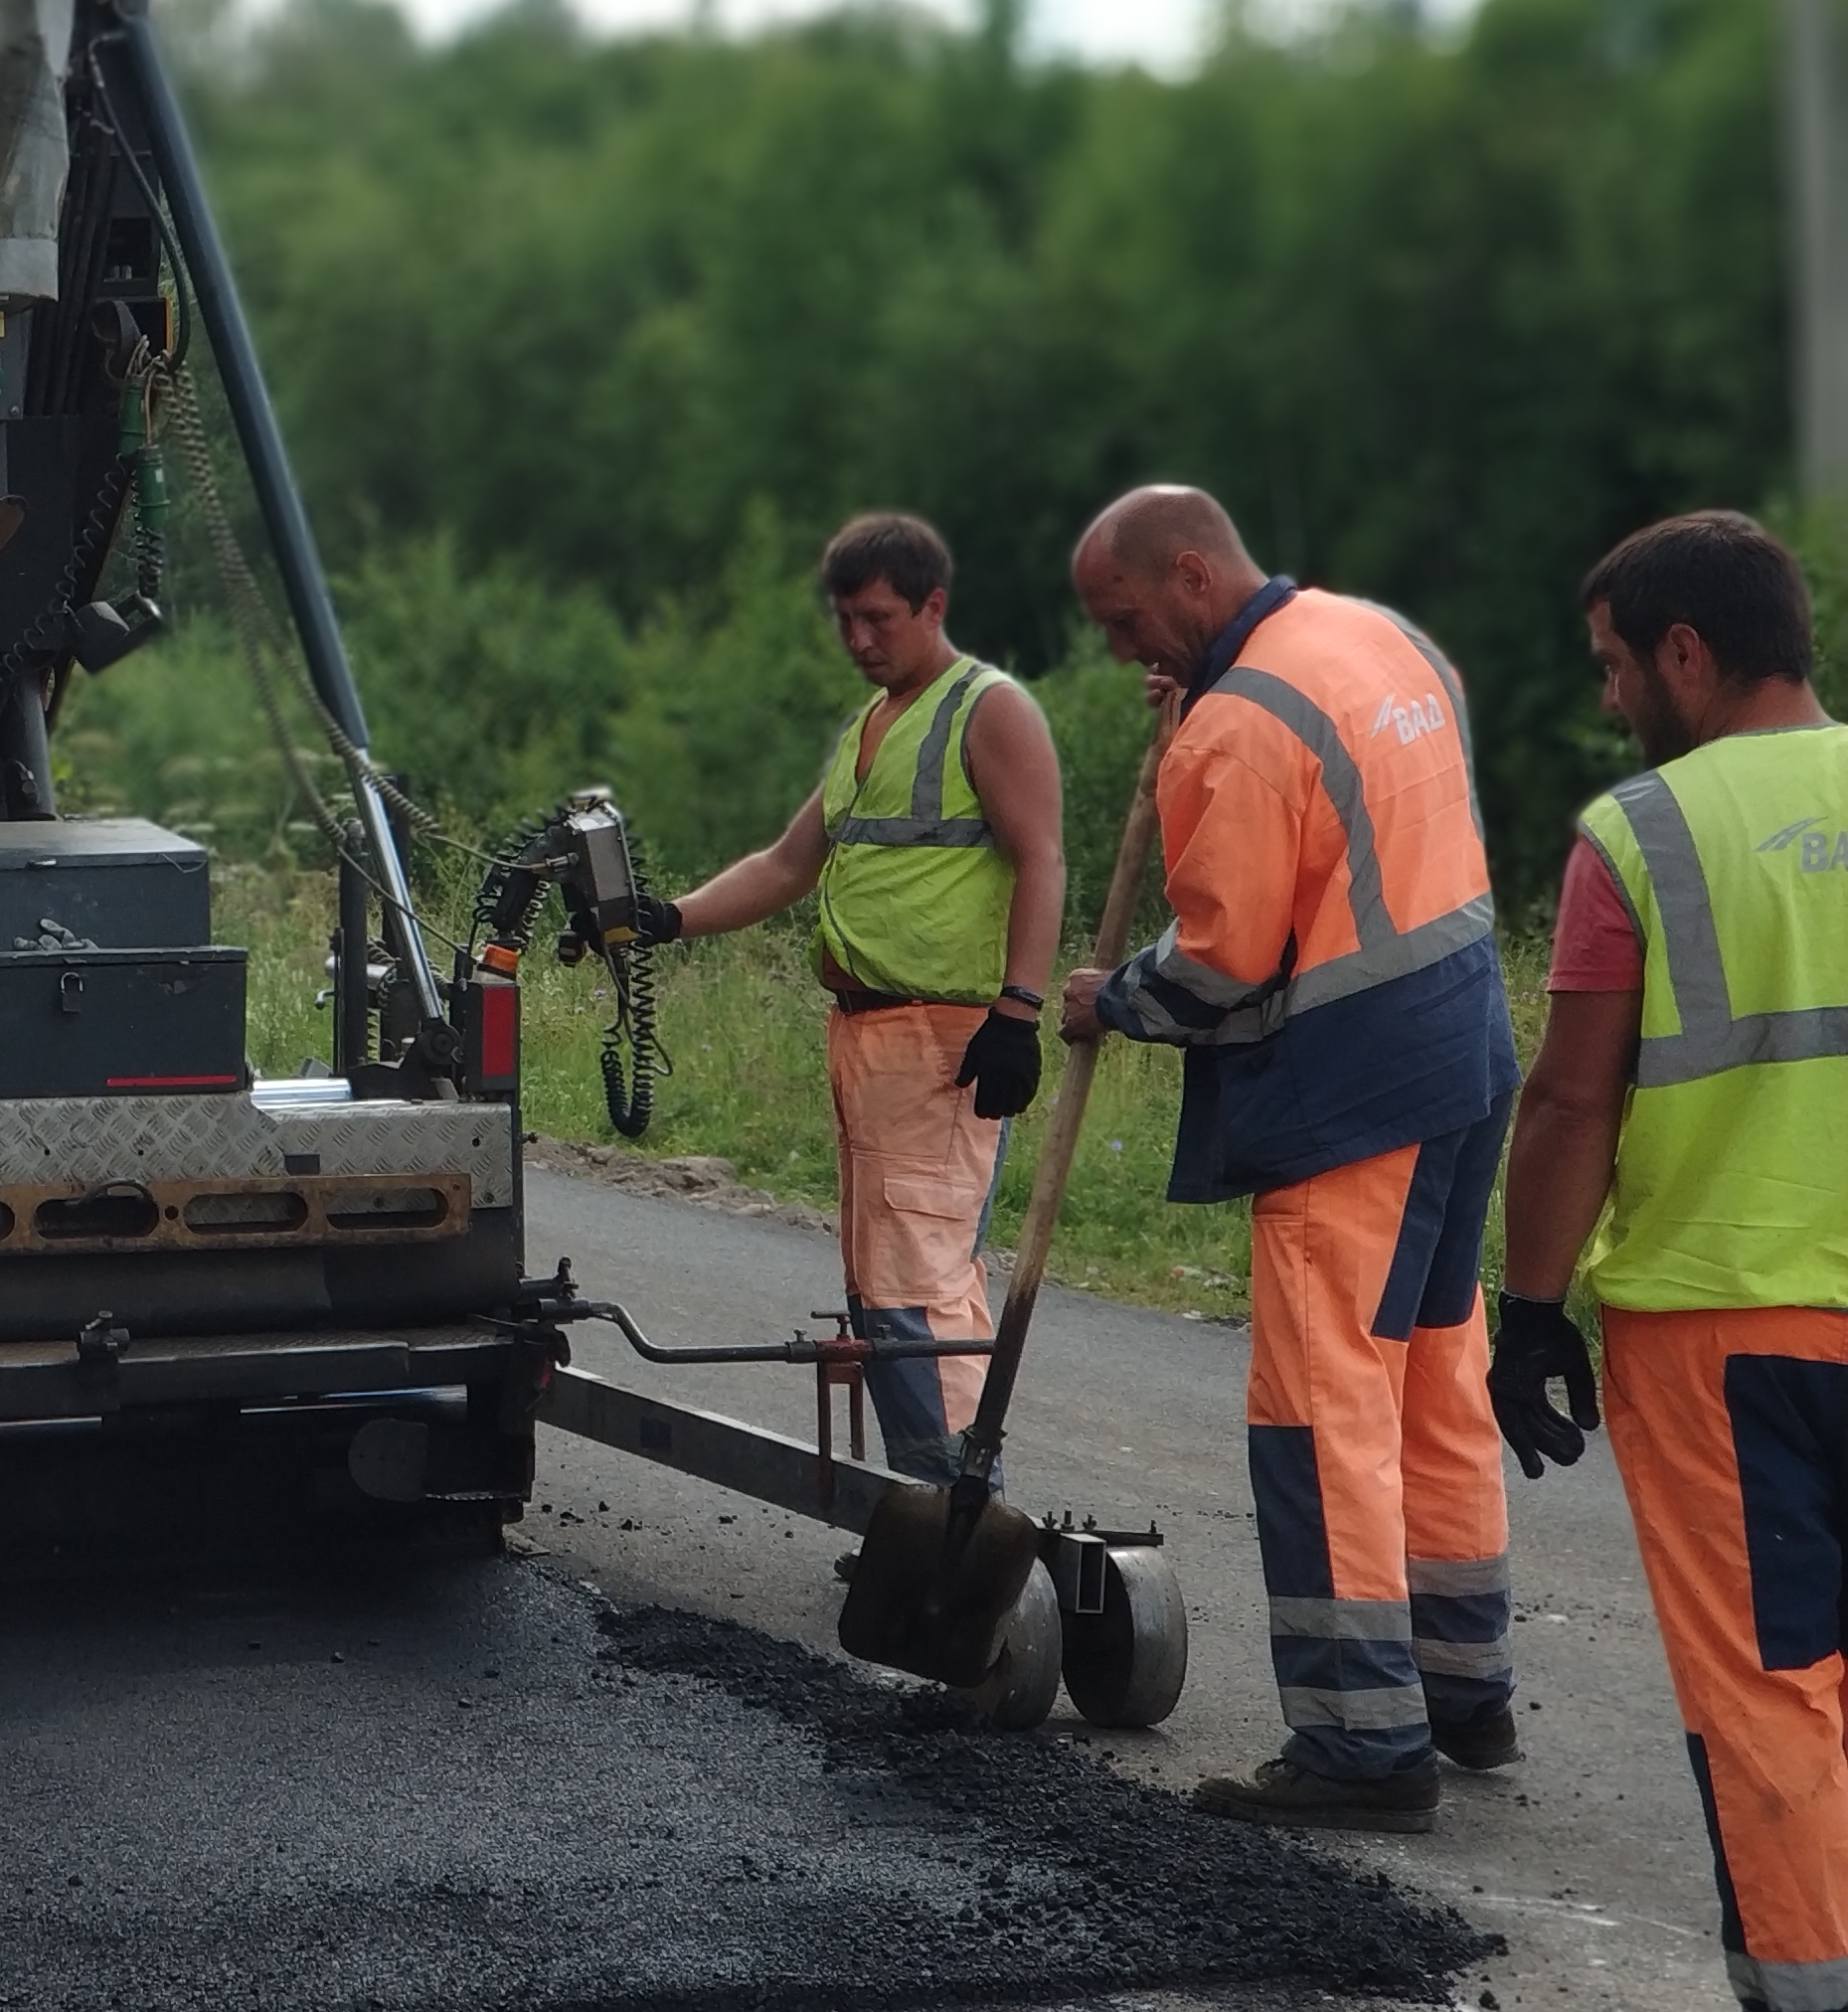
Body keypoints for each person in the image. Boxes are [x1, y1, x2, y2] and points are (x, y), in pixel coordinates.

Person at [1060, 484, 1517, 1835]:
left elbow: (1219, 959)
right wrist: (1201, 714)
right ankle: (1458, 1685)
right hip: (1463, 1061)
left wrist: (1109, 999)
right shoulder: (1373, 640)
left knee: (1323, 1423)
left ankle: (1362, 1746)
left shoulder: (1238, 730)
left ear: (1190, 576)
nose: (1117, 648)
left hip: (1352, 1100)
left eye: (1125, 615)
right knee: (1434, 1382)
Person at [1488, 512, 1848, 2012]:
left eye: (1619, 664)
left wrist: (1530, 1313)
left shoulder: (1644, 834)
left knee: (1772, 1679)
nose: (1616, 695)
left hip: (1728, 1323)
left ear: (1688, 655)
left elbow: (1570, 1101)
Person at [634, 514, 1065, 1479]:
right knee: (881, 1277)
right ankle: (921, 1500)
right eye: (845, 621)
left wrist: (1017, 1013)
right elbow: (789, 863)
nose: (859, 640)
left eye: (878, 619)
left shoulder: (984, 710)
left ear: (931, 606)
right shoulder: (871, 726)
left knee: (915, 1272)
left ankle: (958, 1499)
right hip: (867, 1036)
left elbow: (1040, 858)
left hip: (940, 1037)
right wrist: (666, 919)